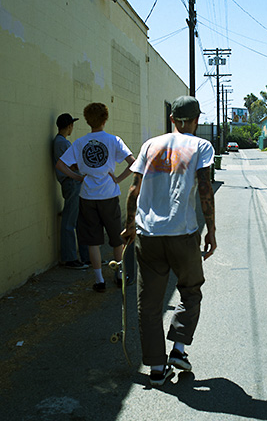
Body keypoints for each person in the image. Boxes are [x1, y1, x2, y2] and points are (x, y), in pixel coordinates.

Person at [121, 96, 216, 387]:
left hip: (148, 235)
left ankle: (157, 368)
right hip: (182, 234)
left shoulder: (150, 145)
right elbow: (204, 188)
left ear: (172, 119)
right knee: (190, 291)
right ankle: (178, 348)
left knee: (149, 304)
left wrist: (129, 225)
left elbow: (134, 189)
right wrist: (211, 229)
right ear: (196, 120)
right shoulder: (201, 146)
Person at [56, 103, 135, 292]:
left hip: (87, 197)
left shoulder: (80, 143)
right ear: (105, 119)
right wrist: (118, 179)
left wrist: (77, 177)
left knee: (93, 241)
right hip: (109, 196)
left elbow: (60, 164)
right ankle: (118, 275)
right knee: (117, 239)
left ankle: (99, 280)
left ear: (87, 120)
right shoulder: (114, 140)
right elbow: (133, 162)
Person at [52, 113, 89, 270]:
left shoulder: (61, 142)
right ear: (68, 126)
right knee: (69, 221)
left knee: (79, 220)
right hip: (71, 183)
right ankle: (70, 258)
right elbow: (72, 164)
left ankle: (85, 257)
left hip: (73, 182)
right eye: (72, 125)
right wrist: (81, 176)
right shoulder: (61, 143)